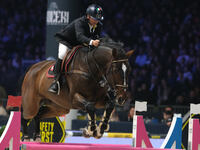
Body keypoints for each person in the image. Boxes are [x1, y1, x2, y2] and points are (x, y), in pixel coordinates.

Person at [48, 4, 104, 94]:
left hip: (81, 43)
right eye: (95, 19)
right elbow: (80, 36)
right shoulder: (80, 22)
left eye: (98, 19)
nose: (97, 21)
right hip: (67, 41)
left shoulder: (99, 25)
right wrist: (92, 42)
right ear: (88, 16)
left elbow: (97, 37)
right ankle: (56, 82)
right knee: (62, 54)